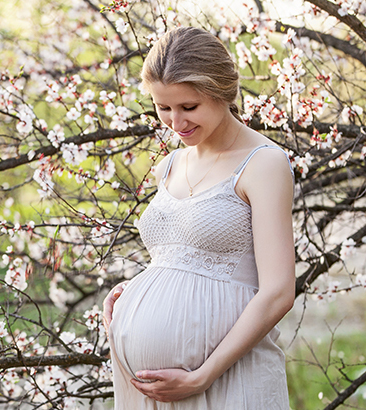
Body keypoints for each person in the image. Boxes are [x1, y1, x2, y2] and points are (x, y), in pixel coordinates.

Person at [102, 26, 295, 409]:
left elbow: (278, 292)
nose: (175, 122)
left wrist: (200, 377)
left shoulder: (263, 164)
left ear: (223, 92)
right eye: (163, 108)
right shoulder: (169, 166)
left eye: (189, 107)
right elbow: (180, 256)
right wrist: (135, 291)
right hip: (152, 391)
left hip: (226, 378)